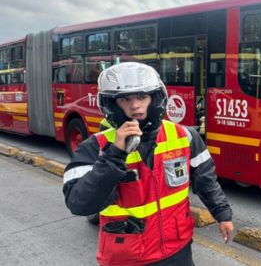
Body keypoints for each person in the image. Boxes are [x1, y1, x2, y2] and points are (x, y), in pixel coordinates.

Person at [62, 62, 233, 265]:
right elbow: (79, 203)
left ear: (155, 98)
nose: (135, 105)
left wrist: (223, 214)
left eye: (142, 97)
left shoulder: (185, 136)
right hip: (127, 255)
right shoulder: (95, 147)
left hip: (177, 249)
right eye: (125, 99)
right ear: (112, 104)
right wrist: (114, 155)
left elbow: (206, 181)